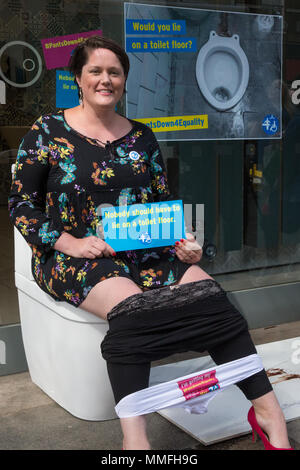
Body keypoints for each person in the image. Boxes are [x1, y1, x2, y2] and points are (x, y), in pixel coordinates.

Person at [9, 36, 292, 451]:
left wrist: (185, 242)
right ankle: (135, 440)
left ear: (123, 80)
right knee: (135, 312)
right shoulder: (47, 131)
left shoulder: (142, 135)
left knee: (214, 299)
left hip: (145, 250)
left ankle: (268, 412)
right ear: (78, 79)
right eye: (96, 71)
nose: (106, 79)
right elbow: (19, 203)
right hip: (78, 257)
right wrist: (67, 242)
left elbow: (161, 204)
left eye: (115, 72)